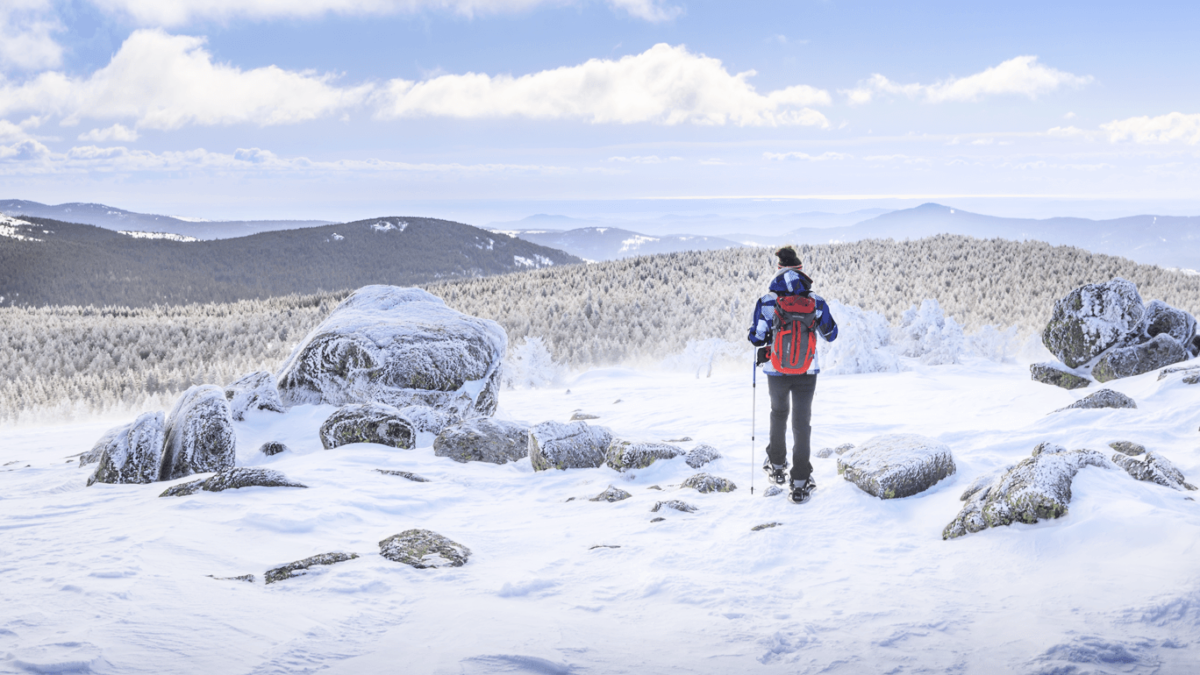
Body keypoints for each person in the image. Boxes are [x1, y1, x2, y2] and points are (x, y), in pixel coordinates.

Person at [747, 245, 838, 504]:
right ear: (801, 272)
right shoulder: (816, 301)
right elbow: (831, 334)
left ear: (778, 272)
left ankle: (776, 466)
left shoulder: (767, 301)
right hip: (807, 370)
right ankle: (799, 481)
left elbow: (757, 338)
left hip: (775, 370)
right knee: (801, 422)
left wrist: (758, 334)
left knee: (778, 413)